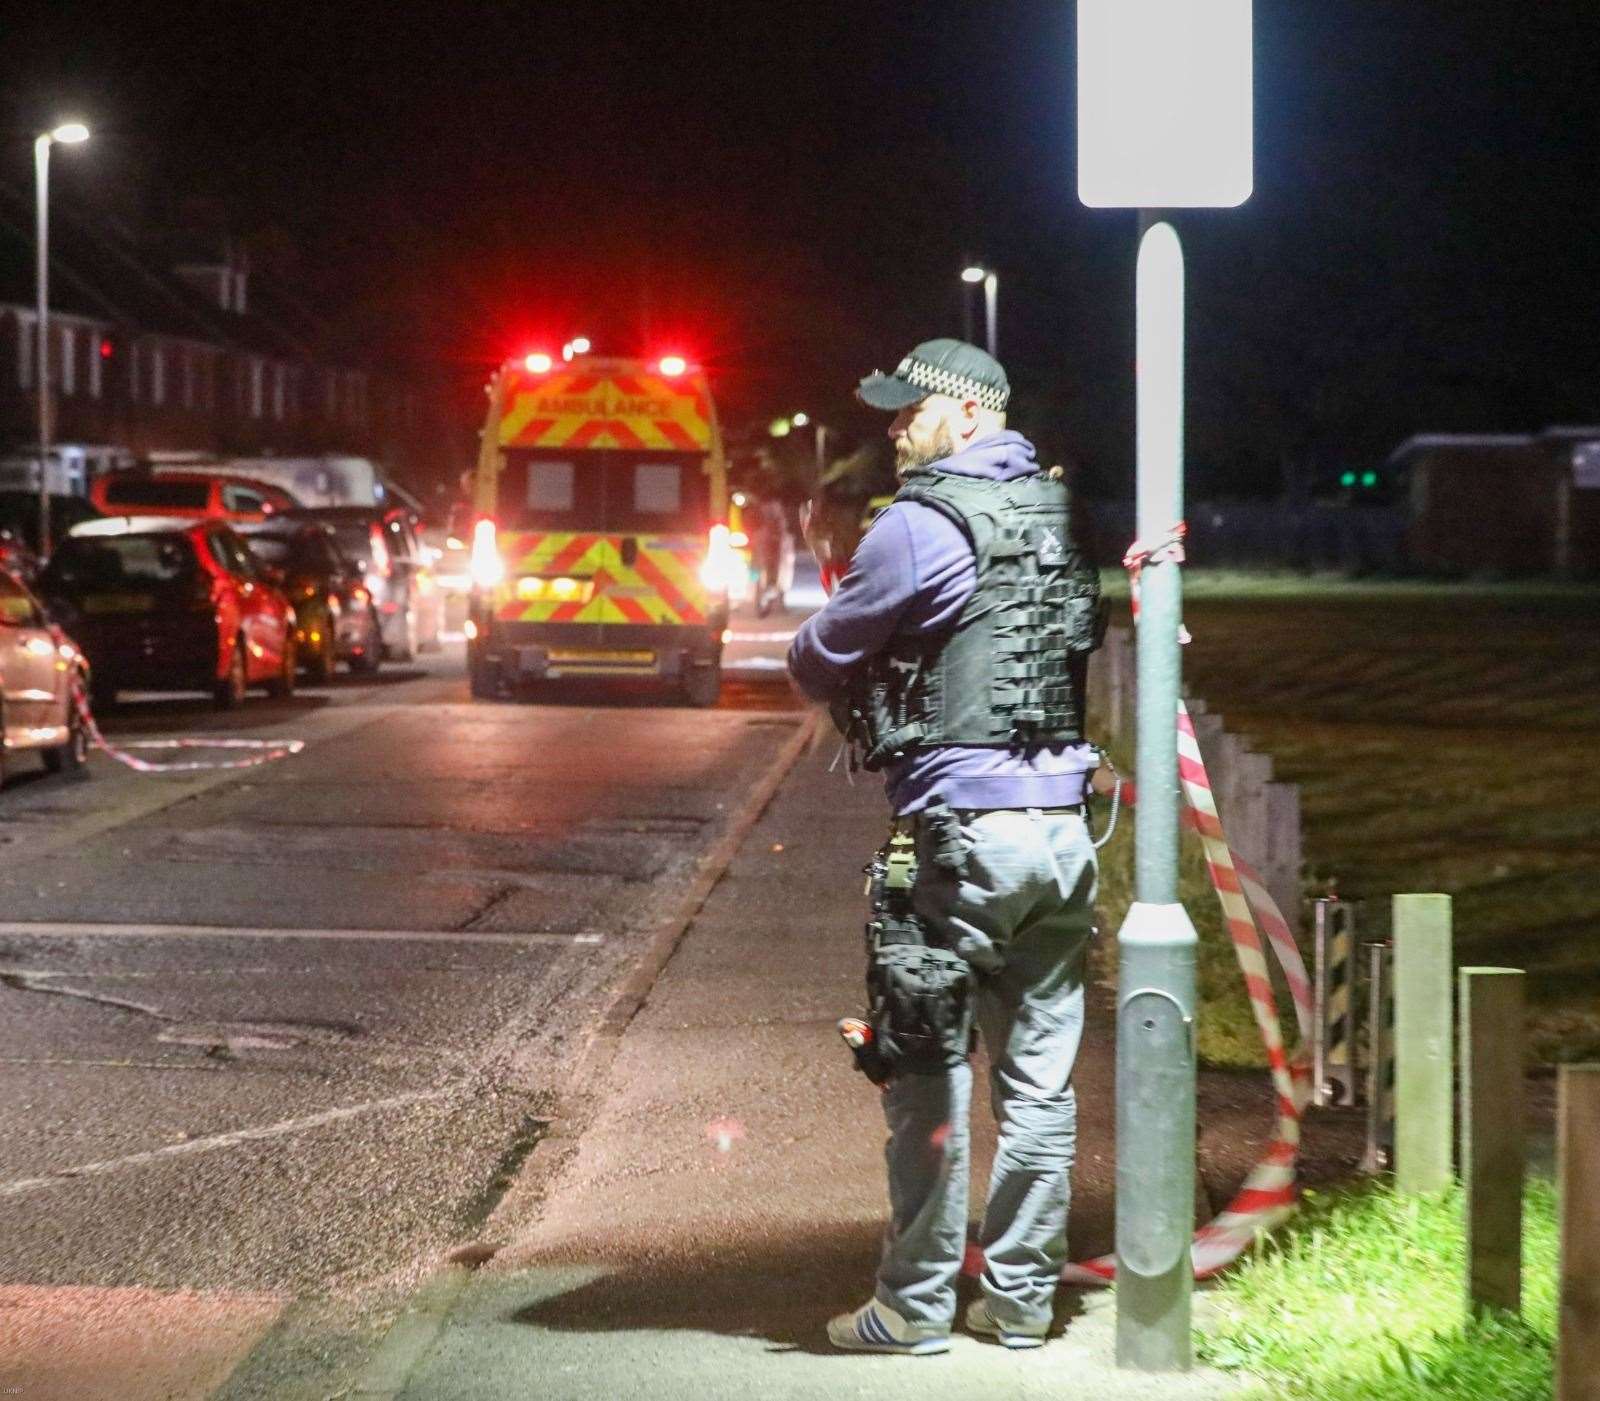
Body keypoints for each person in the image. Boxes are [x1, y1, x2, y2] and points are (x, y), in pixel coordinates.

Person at [787, 338, 1105, 1355]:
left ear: (970, 412)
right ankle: (1018, 1304)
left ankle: (915, 1308)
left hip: (963, 838)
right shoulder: (1059, 513)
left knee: (926, 1071)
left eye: (910, 411)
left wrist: (840, 611)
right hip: (1063, 836)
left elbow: (817, 656)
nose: (894, 428)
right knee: (1040, 1088)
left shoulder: (918, 526)